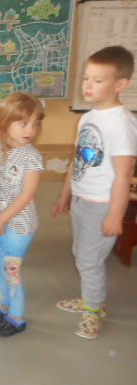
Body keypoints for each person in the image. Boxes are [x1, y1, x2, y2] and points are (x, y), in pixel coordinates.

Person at [53, 45, 137, 339]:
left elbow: (123, 174)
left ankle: (93, 310)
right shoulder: (87, 118)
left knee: (89, 260)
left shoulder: (122, 123)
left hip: (102, 203)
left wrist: (115, 215)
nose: (87, 85)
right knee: (81, 253)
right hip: (82, 198)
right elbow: (77, 160)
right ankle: (91, 299)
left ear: (120, 84)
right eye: (86, 78)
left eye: (97, 80)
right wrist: (66, 194)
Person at [0, 92, 45, 337]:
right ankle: (3, 305)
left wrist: (1, 218)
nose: (31, 129)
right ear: (5, 121)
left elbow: (27, 195)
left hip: (19, 226)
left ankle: (16, 318)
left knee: (11, 270)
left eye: (36, 123)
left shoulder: (32, 156)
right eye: (24, 123)